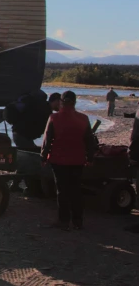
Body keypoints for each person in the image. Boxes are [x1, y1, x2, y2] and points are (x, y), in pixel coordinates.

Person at [40, 91, 96, 230]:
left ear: (61, 101)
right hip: (77, 159)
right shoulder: (83, 118)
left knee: (62, 191)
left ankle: (63, 221)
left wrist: (43, 156)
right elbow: (89, 140)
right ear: (75, 102)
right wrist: (90, 158)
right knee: (76, 190)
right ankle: (78, 221)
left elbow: (47, 140)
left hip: (59, 160)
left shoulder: (54, 117)